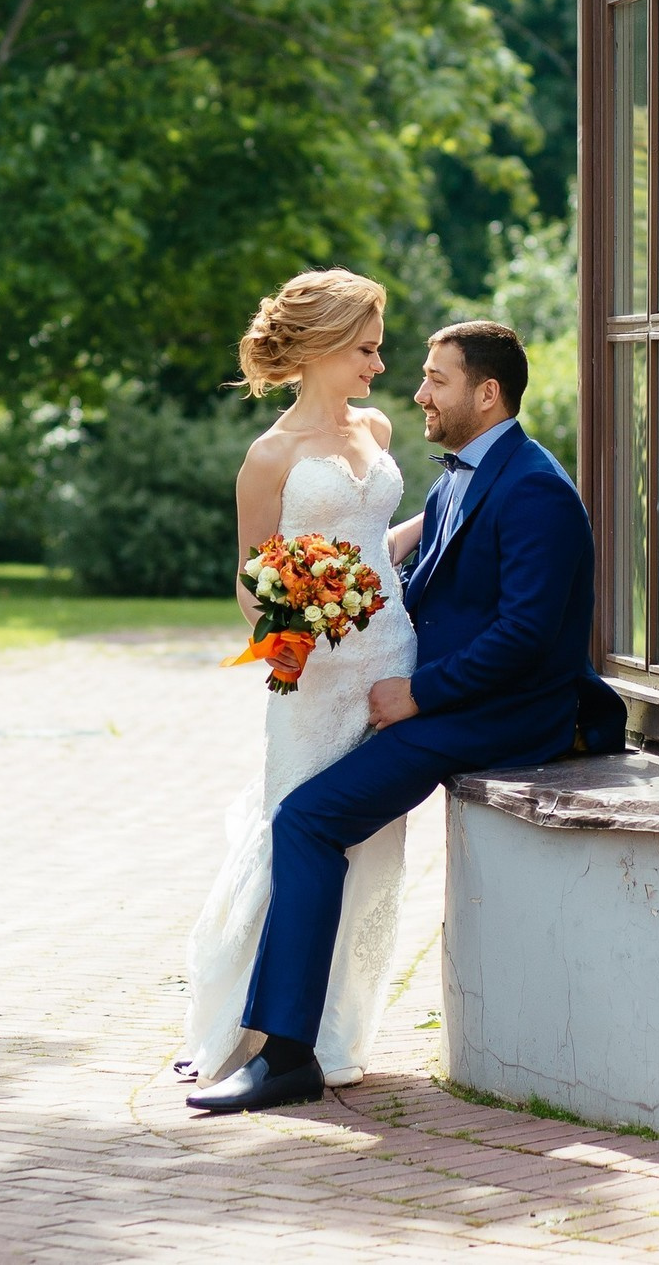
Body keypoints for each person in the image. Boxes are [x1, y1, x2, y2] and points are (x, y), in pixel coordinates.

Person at [186, 316, 626, 1115]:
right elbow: (412, 565)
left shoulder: (536, 490)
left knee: (307, 821)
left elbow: (527, 637)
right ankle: (288, 1044)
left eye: (438, 379)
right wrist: (313, 604)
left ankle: (289, 1056)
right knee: (309, 818)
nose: (417, 390)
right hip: (426, 691)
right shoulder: (462, 470)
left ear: (486, 395)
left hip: (507, 712)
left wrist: (419, 693)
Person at [179, 269, 417, 1089]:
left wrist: (463, 510)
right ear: (318, 349)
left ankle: (338, 1027)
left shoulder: (378, 430)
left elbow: (379, 540)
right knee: (295, 835)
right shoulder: (269, 455)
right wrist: (288, 628)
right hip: (311, 678)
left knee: (373, 846)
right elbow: (249, 582)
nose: (377, 367)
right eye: (365, 349)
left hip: (390, 659)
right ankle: (252, 1028)